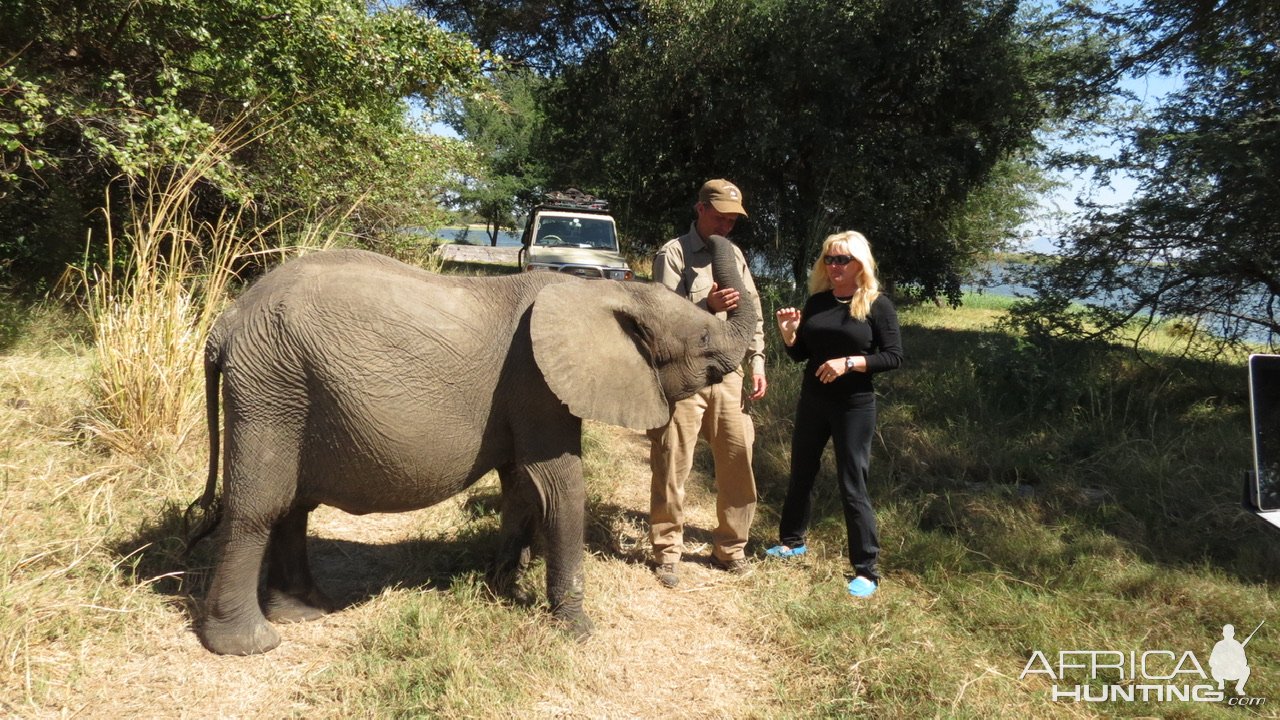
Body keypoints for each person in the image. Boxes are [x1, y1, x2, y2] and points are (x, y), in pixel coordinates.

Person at [769, 230, 902, 598]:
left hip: (853, 406)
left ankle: (866, 570)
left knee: (851, 483)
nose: (834, 265)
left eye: (842, 259)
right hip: (813, 400)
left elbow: (893, 356)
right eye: (829, 258)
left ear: (860, 263)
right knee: (801, 473)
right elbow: (801, 356)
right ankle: (792, 541)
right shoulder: (818, 302)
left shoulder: (876, 304)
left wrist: (851, 363)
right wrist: (789, 333)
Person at [648, 178, 768, 588]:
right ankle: (667, 551)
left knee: (739, 461)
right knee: (672, 463)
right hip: (685, 376)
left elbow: (752, 310)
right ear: (700, 209)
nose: (726, 226)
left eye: (733, 220)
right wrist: (706, 307)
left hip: (729, 375)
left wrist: (758, 361)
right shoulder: (674, 253)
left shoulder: (733, 254)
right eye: (720, 217)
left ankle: (730, 548)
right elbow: (662, 319)